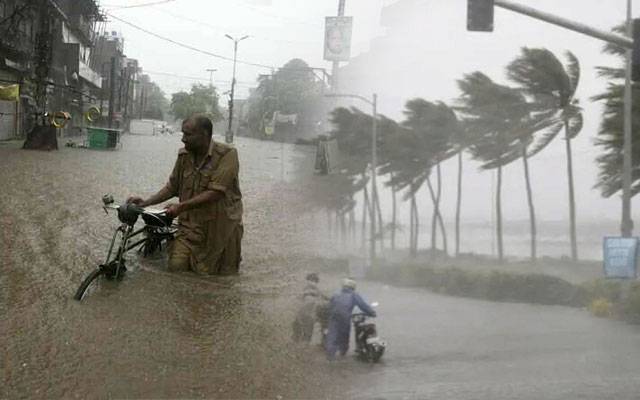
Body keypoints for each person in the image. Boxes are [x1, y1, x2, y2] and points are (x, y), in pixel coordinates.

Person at [128, 114, 243, 275]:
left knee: (222, 277)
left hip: (220, 231)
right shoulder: (184, 156)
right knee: (176, 268)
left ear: (204, 134)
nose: (183, 139)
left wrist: (180, 207)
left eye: (188, 134)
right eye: (183, 133)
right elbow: (172, 187)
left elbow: (215, 193)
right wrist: (145, 203)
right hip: (190, 229)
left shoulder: (227, 155)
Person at [325, 278, 376, 360]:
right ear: (353, 286)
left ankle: (330, 356)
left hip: (333, 317)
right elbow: (363, 305)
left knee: (332, 335)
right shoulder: (353, 295)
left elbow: (329, 306)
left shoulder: (336, 294)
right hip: (345, 318)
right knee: (344, 336)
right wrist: (372, 313)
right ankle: (342, 355)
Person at [292, 273, 329, 343]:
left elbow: (324, 296)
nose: (313, 282)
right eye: (311, 280)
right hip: (308, 311)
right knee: (300, 325)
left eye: (314, 281)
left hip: (312, 311)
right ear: (308, 280)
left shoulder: (316, 290)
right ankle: (299, 340)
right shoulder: (307, 290)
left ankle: (322, 339)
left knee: (322, 323)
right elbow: (299, 298)